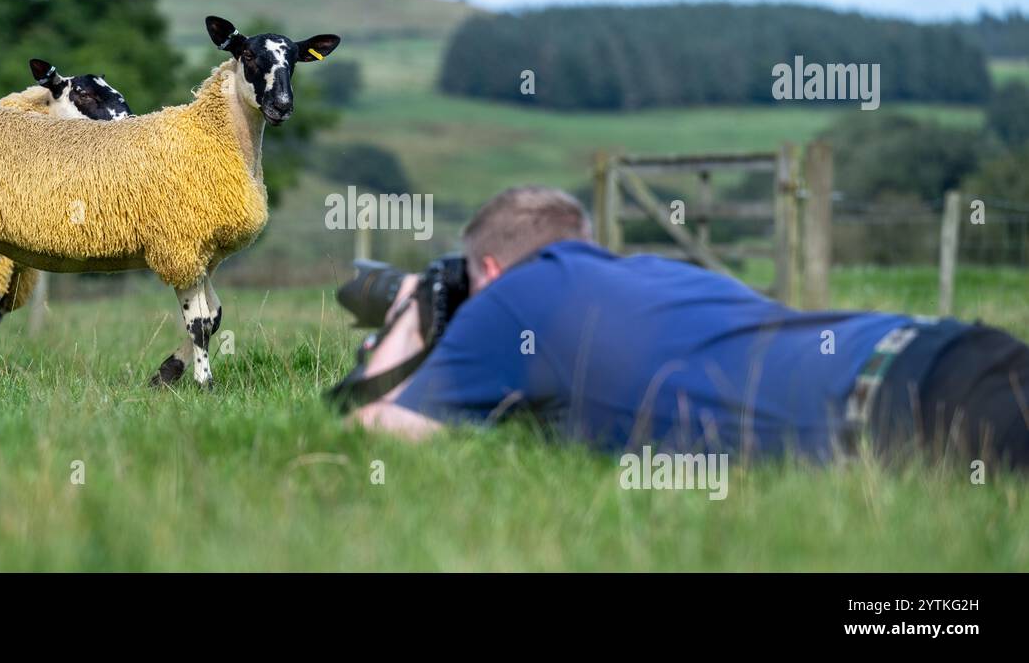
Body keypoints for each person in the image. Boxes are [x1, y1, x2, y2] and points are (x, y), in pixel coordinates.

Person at [351, 185, 1029, 467]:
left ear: (491, 270)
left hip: (910, 413)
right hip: (950, 351)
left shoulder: (514, 296)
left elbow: (372, 439)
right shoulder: (655, 274)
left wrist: (411, 319)